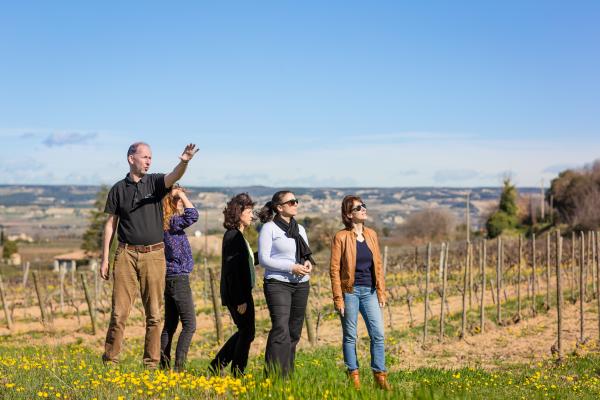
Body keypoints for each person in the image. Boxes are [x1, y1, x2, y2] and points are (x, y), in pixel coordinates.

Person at [100, 142, 198, 369]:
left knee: (154, 314)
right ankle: (110, 363)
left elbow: (174, 175)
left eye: (150, 158)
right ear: (130, 158)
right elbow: (110, 225)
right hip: (125, 254)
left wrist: (184, 161)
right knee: (118, 314)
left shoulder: (155, 182)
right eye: (144, 157)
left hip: (154, 255)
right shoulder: (117, 189)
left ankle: (151, 364)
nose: (148, 161)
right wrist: (105, 258)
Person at [329, 195, 390, 390]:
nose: (363, 209)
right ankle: (353, 377)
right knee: (350, 336)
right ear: (349, 214)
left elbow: (378, 265)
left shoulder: (372, 234)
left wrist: (381, 292)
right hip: (350, 292)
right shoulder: (341, 237)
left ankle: (379, 376)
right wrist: (339, 299)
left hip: (370, 291)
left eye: (364, 206)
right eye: (358, 207)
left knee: (378, 334)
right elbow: (334, 270)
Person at [257, 190, 315, 377]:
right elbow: (264, 260)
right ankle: (272, 376)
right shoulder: (269, 228)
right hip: (278, 283)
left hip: (301, 284)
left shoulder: (300, 229)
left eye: (296, 201)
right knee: (280, 328)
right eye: (291, 202)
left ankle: (286, 375)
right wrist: (291, 267)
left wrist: (306, 264)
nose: (295, 204)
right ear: (279, 208)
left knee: (294, 332)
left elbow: (305, 255)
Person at [210, 193, 257, 376]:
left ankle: (218, 365)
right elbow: (232, 271)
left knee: (246, 331)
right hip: (239, 295)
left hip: (241, 294)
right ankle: (237, 372)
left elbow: (246, 261)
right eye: (249, 211)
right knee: (247, 332)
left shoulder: (237, 235)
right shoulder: (233, 236)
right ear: (239, 213)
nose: (252, 216)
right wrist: (241, 299)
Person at [159, 184, 199, 371]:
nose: (181, 202)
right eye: (177, 199)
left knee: (170, 325)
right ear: (169, 201)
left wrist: (178, 195)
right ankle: (178, 369)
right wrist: (180, 194)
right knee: (190, 325)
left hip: (169, 277)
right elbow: (193, 215)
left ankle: (163, 366)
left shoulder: (162, 223)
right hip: (178, 278)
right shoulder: (172, 222)